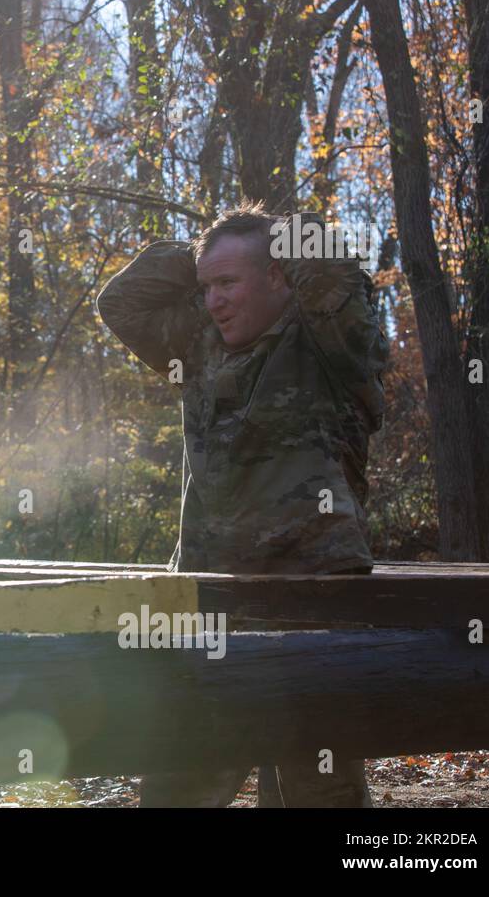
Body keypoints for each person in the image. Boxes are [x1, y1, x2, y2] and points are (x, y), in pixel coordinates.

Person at [95, 203, 389, 807]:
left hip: (312, 584)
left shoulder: (327, 341)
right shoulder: (199, 347)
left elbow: (332, 270)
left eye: (228, 284)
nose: (213, 302)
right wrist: (208, 253)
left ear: (280, 276)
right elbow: (120, 304)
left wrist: (267, 237)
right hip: (210, 586)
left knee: (316, 780)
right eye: (205, 288)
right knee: (184, 772)